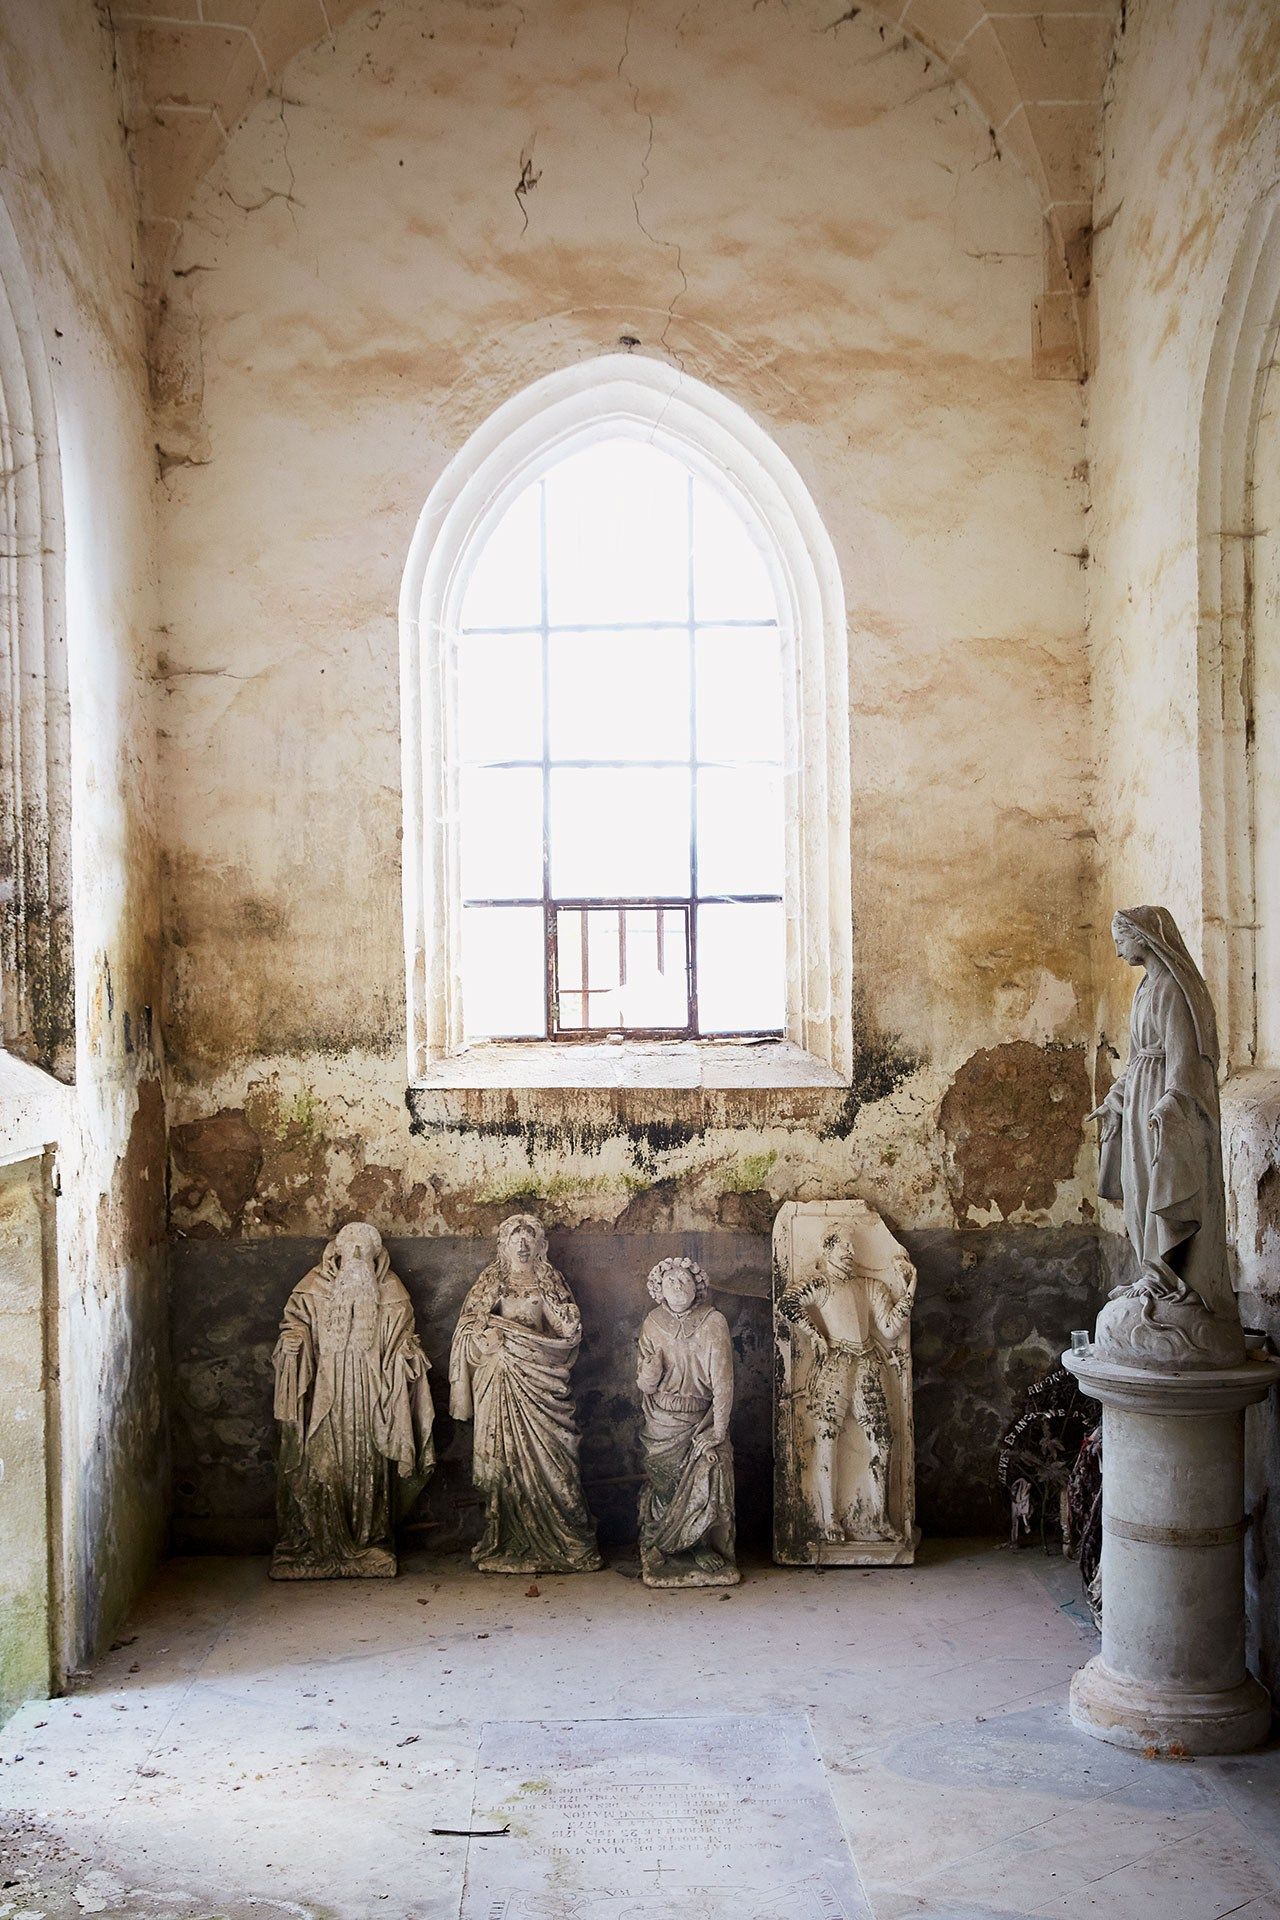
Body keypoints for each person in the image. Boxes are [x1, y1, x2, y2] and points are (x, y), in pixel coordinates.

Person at [1086, 905, 1231, 1318]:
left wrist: (1172, 1102)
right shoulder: (1145, 987)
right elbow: (1137, 1058)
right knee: (1137, 1190)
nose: (1118, 953)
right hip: (1140, 1102)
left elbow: (1184, 1057)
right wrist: (1116, 1098)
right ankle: (1149, 1271)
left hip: (1164, 1107)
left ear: (1144, 937)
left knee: (1158, 1188)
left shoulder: (1172, 988)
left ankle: (1165, 1277)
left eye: (1121, 941)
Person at [271, 1221, 434, 1578]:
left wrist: (405, 1356)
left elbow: (400, 1342)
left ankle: (367, 1543)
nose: (357, 1255)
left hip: (370, 1395)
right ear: (337, 1251)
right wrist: (293, 1343)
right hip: (325, 1394)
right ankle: (316, 1544)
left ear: (376, 1254)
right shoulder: (313, 1289)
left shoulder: (391, 1291)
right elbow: (293, 1325)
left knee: (368, 1465)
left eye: (365, 1248)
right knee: (319, 1463)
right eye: (351, 1247)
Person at [450, 1213, 600, 1574]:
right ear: (503, 1246)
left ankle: (567, 1539)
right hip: (501, 1382)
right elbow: (468, 1330)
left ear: (540, 1246)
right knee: (504, 1460)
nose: (522, 1244)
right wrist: (486, 1340)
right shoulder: (492, 1282)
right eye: (515, 1238)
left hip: (541, 1382)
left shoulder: (549, 1282)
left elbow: (566, 1331)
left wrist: (564, 1317)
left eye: (529, 1239)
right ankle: (506, 1538)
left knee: (559, 1459)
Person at [778, 1225, 913, 1542]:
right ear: (828, 1249)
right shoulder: (821, 1284)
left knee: (882, 1441)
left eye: (853, 1247)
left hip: (868, 1364)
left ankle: (880, 1519)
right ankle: (829, 1520)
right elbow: (788, 1303)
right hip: (836, 1365)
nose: (851, 1252)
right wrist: (814, 1333)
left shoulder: (869, 1286)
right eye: (845, 1246)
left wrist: (911, 1284)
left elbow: (891, 1328)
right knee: (827, 1440)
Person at [635, 1256, 737, 1586]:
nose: (678, 1285)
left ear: (698, 1287)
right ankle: (659, 1542)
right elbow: (644, 1383)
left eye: (685, 1280)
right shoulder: (652, 1322)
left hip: (701, 1417)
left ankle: (698, 1544)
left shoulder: (713, 1321)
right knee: (664, 1481)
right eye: (670, 1282)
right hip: (662, 1419)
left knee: (712, 1468)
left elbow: (723, 1381)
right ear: (659, 1291)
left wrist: (718, 1430)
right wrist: (648, 1377)